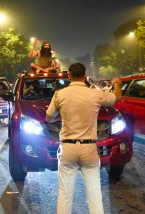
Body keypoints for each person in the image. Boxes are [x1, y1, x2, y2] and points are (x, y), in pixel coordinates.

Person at [46, 63, 123, 214]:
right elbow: (118, 97)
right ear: (85, 76)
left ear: (69, 76)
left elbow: (48, 118)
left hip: (68, 148)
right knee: (94, 192)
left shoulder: (60, 94)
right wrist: (116, 83)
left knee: (65, 193)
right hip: (89, 148)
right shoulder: (95, 94)